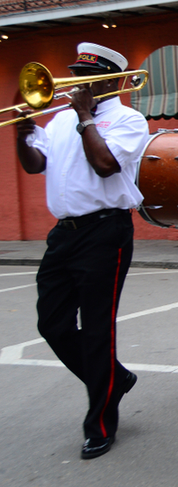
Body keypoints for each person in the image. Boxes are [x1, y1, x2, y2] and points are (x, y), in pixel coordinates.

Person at [15, 42, 149, 459]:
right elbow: (36, 165)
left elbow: (106, 165)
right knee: (51, 324)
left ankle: (101, 423)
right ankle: (115, 378)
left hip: (105, 231)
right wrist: (23, 135)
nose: (74, 84)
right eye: (74, 75)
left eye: (86, 77)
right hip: (65, 233)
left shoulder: (128, 119)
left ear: (110, 81)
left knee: (96, 329)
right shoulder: (57, 120)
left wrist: (85, 116)